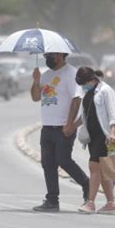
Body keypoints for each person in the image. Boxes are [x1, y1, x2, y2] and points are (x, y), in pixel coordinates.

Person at [30, 52, 89, 212]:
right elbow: (36, 98)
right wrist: (36, 81)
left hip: (63, 127)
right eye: (46, 55)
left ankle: (87, 185)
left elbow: (77, 99)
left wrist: (70, 124)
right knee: (48, 164)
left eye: (50, 55)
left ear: (61, 55)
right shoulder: (46, 75)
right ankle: (52, 200)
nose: (47, 58)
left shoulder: (71, 73)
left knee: (63, 160)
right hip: (47, 126)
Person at [74, 67, 115, 214]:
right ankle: (111, 203)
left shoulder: (105, 90)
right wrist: (71, 127)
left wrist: (113, 132)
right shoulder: (87, 92)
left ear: (92, 79)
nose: (83, 86)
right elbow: (85, 115)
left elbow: (113, 113)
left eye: (84, 83)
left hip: (104, 135)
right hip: (92, 137)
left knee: (94, 166)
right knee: (103, 170)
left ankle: (91, 202)